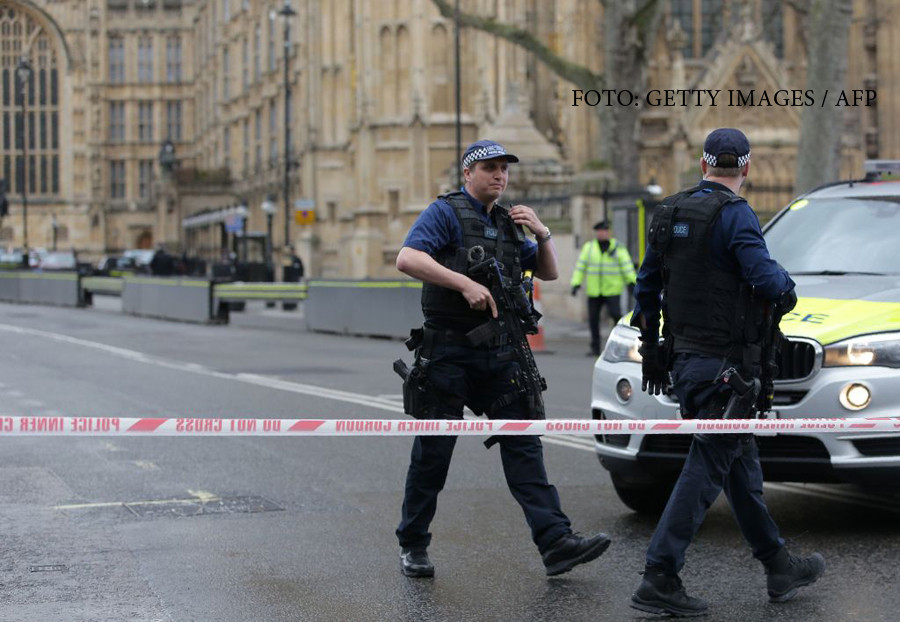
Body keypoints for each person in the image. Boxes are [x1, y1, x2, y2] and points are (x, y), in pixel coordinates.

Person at [628, 128, 825, 616]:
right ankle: (659, 574)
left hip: (686, 362)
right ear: (748, 169)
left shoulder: (669, 211)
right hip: (726, 369)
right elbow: (767, 282)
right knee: (707, 466)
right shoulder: (735, 214)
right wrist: (786, 285)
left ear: (703, 165)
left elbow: (647, 286)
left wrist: (652, 349)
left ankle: (778, 565)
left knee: (739, 463)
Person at [394, 139, 611, 579]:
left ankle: (555, 542)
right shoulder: (446, 212)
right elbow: (407, 257)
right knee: (433, 456)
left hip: (500, 353)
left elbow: (548, 272)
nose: (499, 175)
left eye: (504, 169)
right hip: (449, 352)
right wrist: (464, 285)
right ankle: (413, 544)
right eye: (490, 168)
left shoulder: (512, 223)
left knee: (524, 446)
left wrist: (543, 233)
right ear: (468, 173)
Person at [570, 220, 637, 356]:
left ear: (609, 232)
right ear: (597, 233)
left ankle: (618, 345)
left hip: (612, 290)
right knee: (593, 320)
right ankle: (595, 348)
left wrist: (631, 282)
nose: (603, 233)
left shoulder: (618, 248)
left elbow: (626, 266)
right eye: (600, 231)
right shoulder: (589, 248)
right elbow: (580, 267)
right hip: (595, 291)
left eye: (605, 231)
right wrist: (576, 283)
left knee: (616, 316)